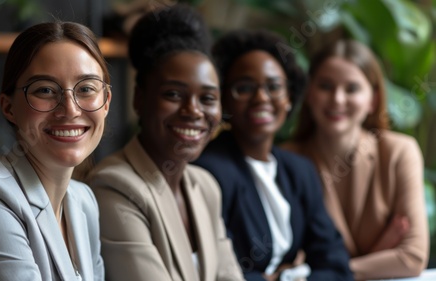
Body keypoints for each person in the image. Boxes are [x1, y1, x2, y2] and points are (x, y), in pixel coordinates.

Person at [0, 21, 111, 281]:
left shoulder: (84, 201)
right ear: (9, 108)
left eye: (86, 88)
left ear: (106, 102)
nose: (71, 109)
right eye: (45, 90)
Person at [87, 4, 245, 281]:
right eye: (173, 94)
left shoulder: (206, 186)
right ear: (139, 99)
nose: (194, 111)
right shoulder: (114, 186)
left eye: (207, 98)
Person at [192, 29, 354, 281]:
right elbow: (216, 271)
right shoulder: (208, 171)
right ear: (224, 98)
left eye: (274, 87)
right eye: (244, 88)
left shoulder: (299, 169)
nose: (261, 98)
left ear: (289, 98)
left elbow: (335, 262)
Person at [282, 39, 429, 280]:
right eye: (325, 86)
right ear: (309, 93)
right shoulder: (287, 159)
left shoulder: (399, 152)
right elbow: (288, 258)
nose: (337, 99)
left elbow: (412, 257)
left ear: (372, 100)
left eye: (352, 89)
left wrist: (332, 271)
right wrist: (379, 252)